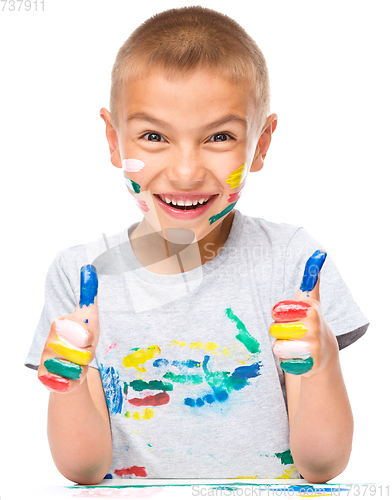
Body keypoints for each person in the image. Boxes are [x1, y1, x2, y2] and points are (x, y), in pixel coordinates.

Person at [24, 6, 369, 485]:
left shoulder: (292, 262)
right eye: (153, 136)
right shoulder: (81, 277)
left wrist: (321, 362)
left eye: (220, 137)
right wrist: (70, 381)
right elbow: (84, 471)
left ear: (262, 143)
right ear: (112, 139)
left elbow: (322, 466)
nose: (185, 172)